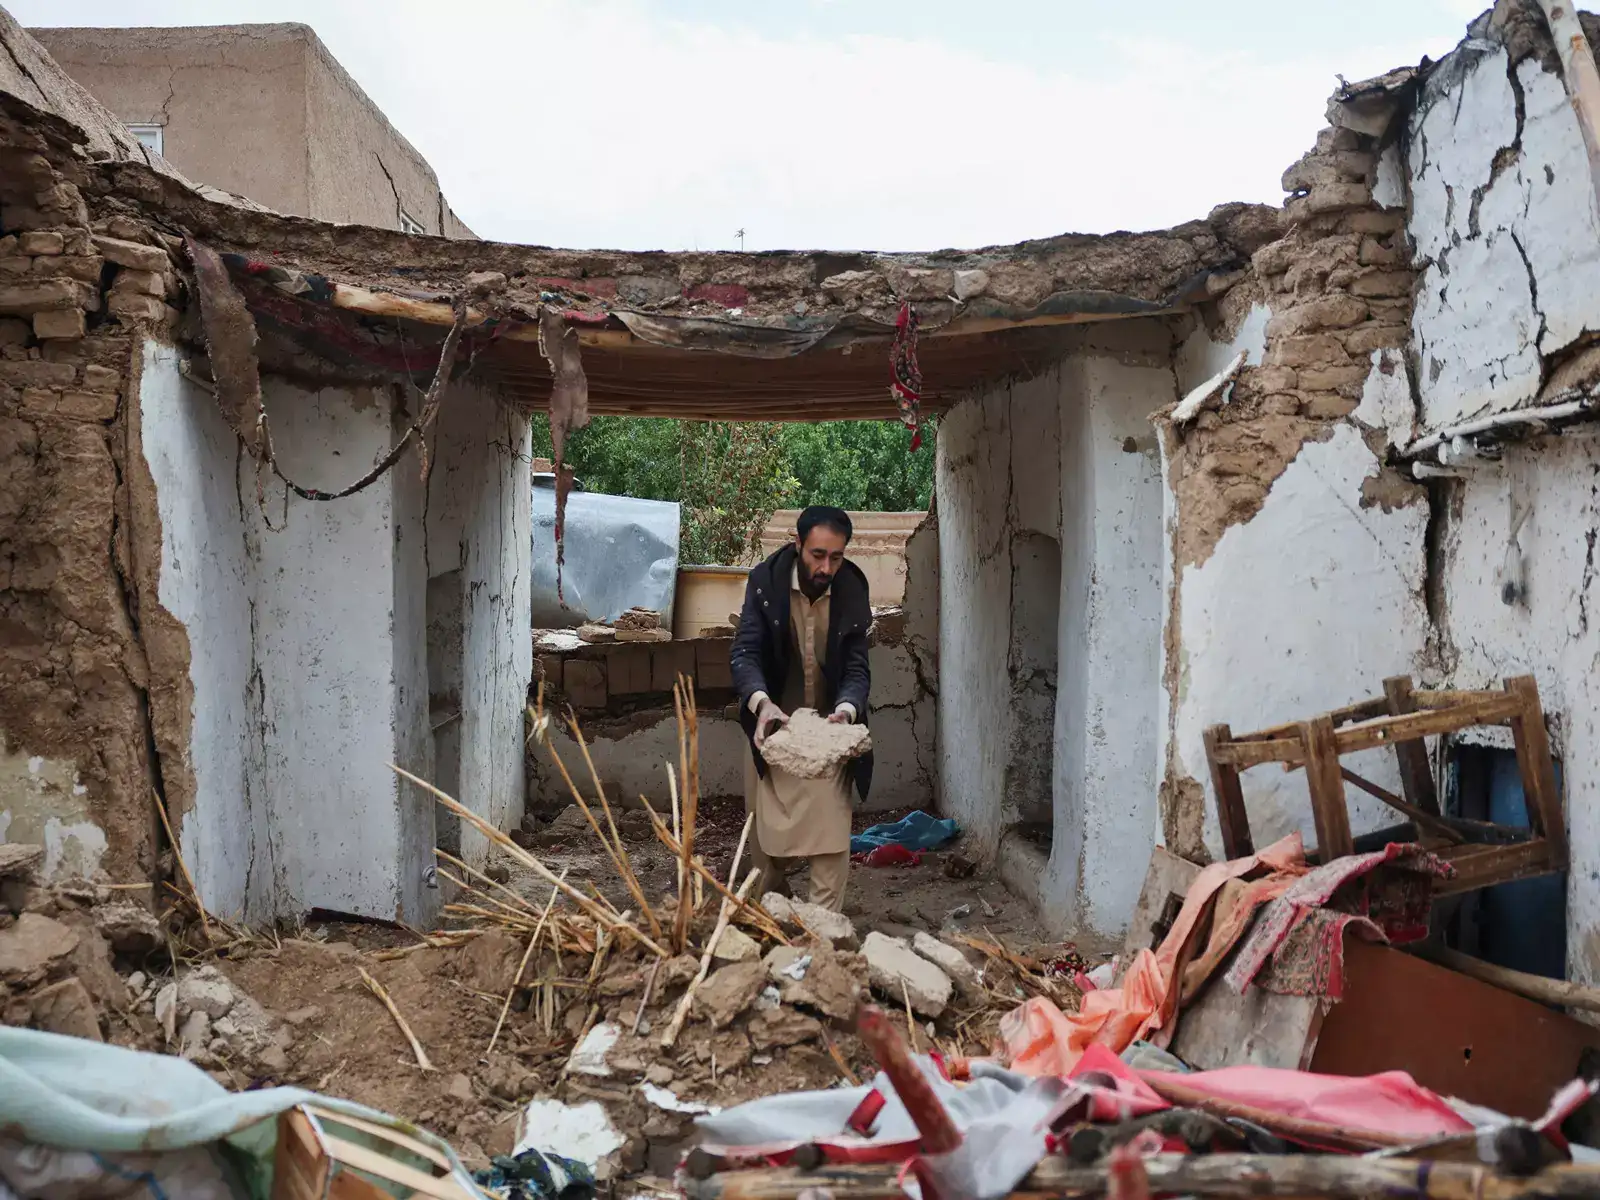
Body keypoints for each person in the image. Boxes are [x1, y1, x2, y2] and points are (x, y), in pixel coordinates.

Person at [730, 505, 873, 911]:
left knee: (831, 840)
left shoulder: (851, 588)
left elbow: (857, 667)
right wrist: (762, 704)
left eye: (836, 557)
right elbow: (745, 652)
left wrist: (846, 712)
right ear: (797, 544)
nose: (827, 567)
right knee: (765, 851)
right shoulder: (765, 583)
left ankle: (824, 933)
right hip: (773, 728)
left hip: (829, 729)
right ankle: (777, 917)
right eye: (818, 555)